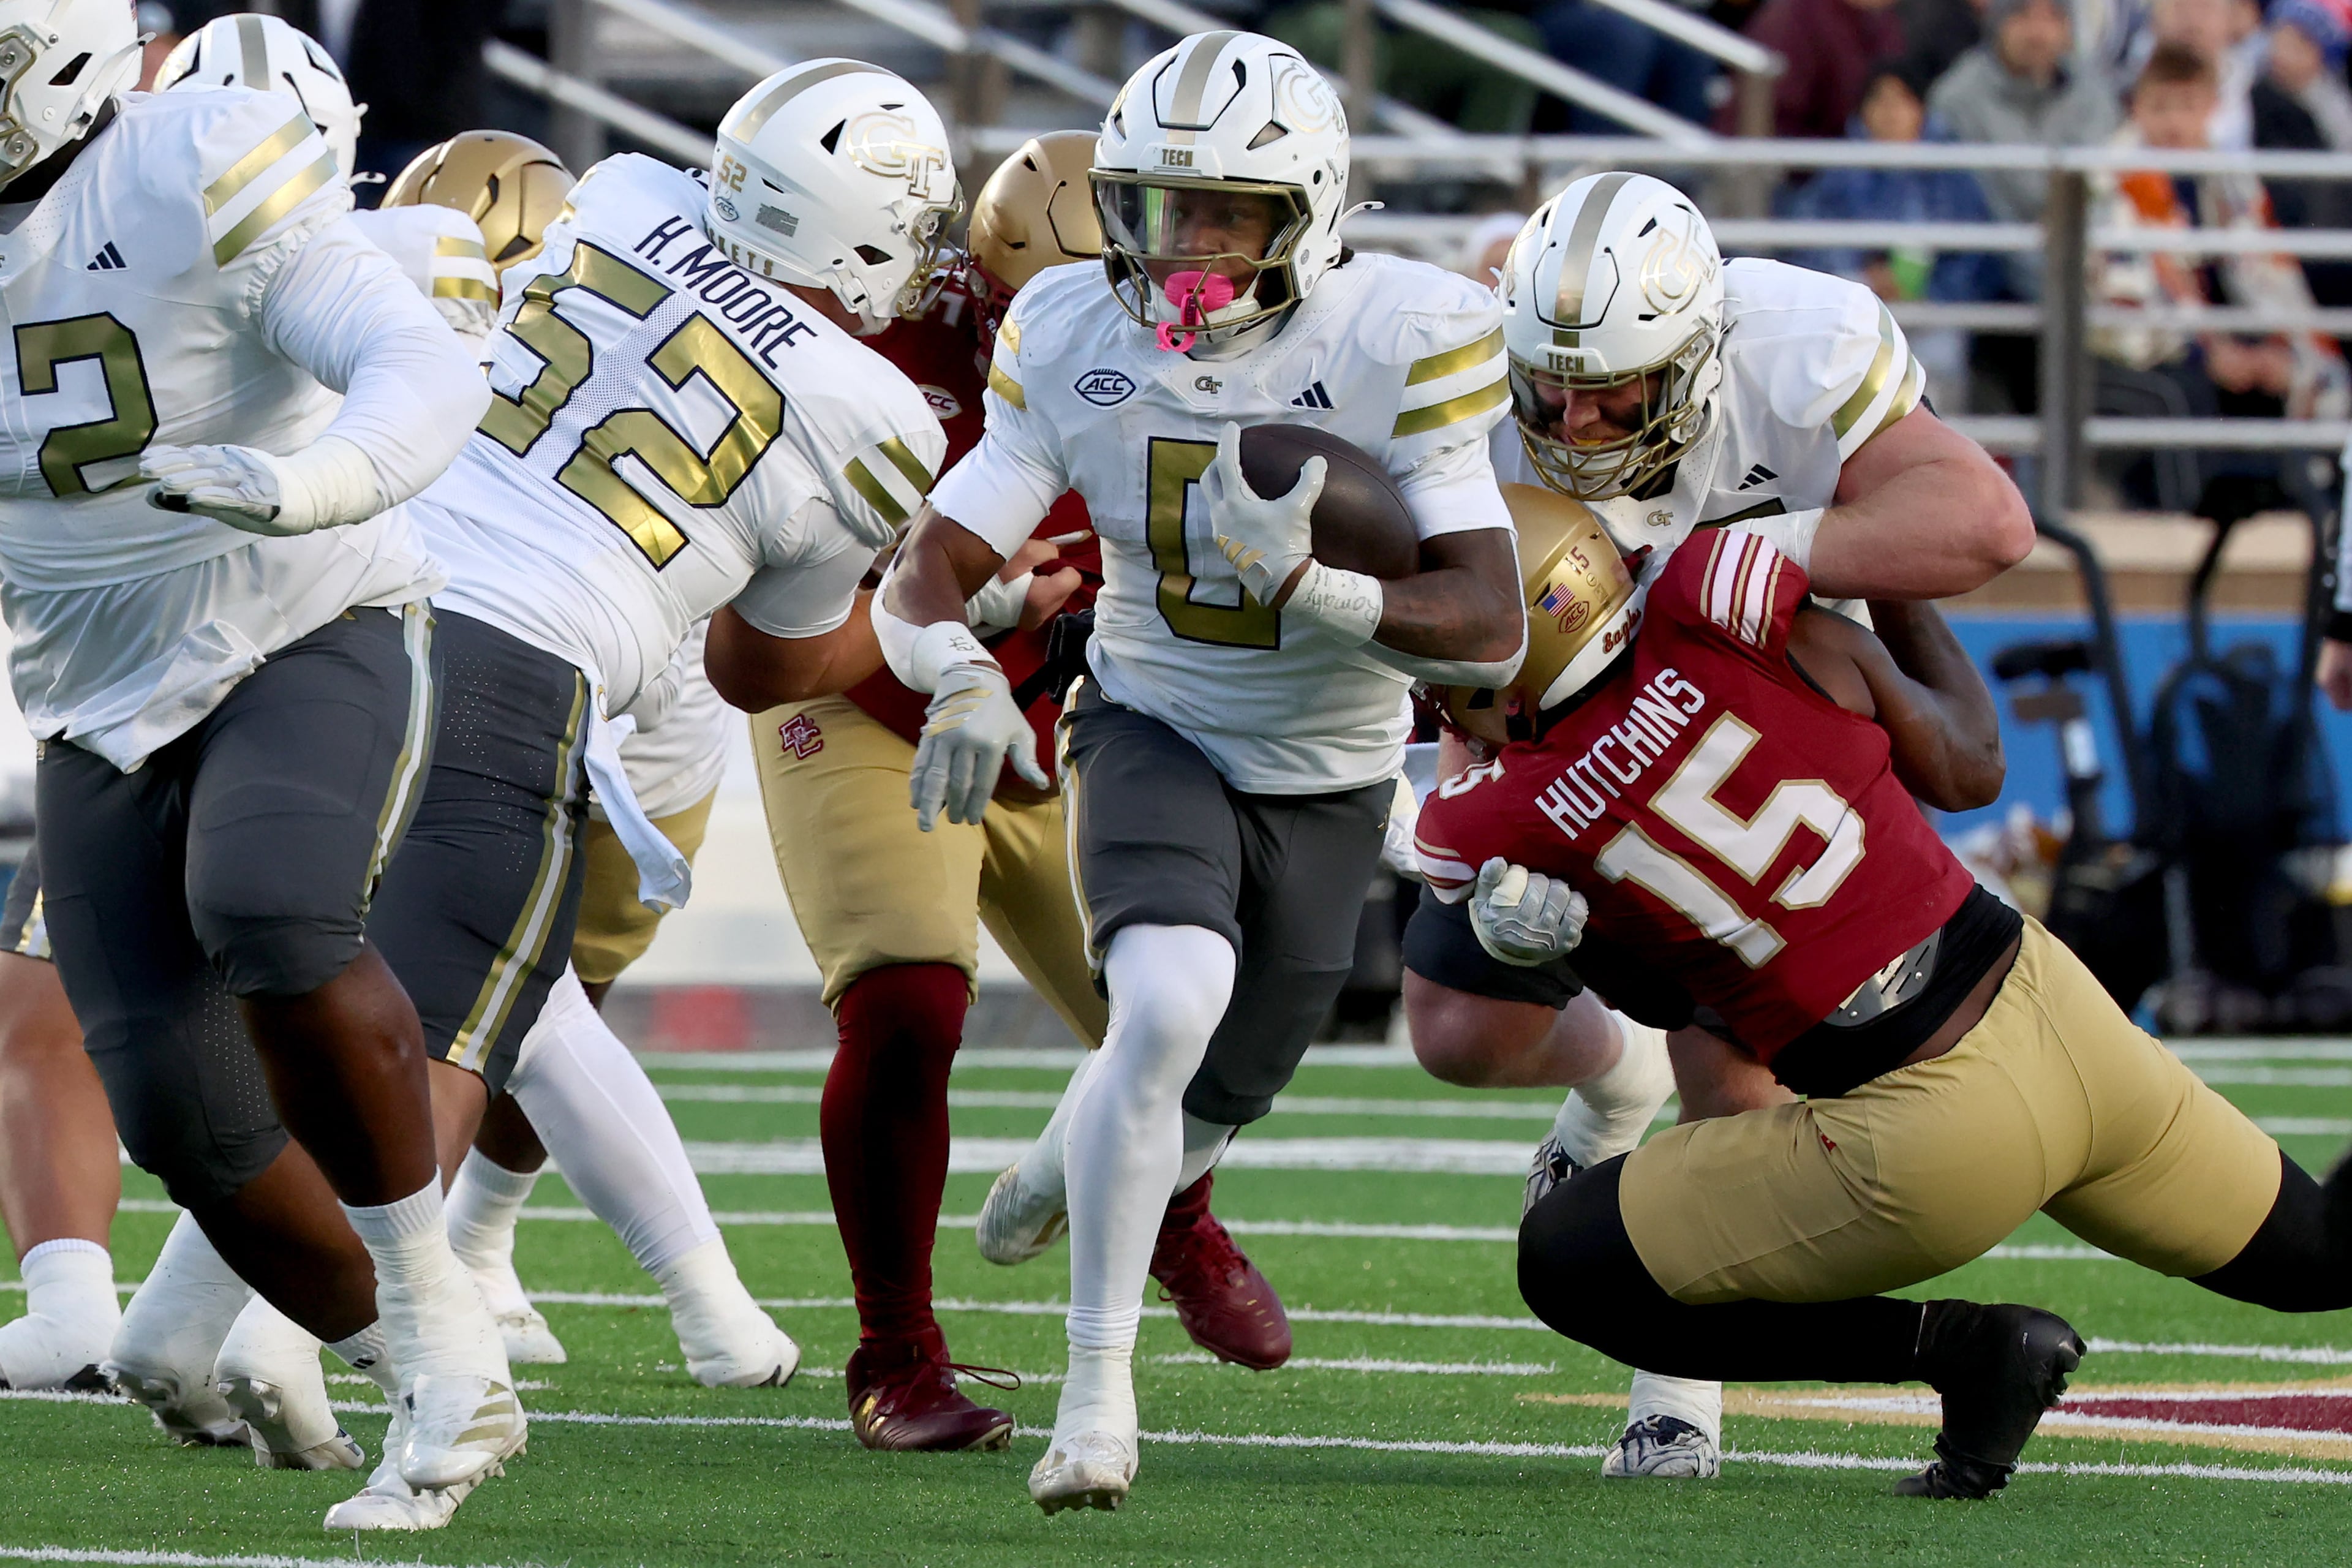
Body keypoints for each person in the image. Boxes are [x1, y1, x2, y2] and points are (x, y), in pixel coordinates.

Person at [875, 29, 1530, 1512]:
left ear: (1305, 212)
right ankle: (1094, 1399)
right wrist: (964, 673)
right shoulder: (1065, 328)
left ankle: (1065, 1151)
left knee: (1213, 1086)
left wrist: (1316, 590)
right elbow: (930, 565)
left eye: (1223, 213)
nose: (1182, 249)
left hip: (1334, 764)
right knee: (1165, 1000)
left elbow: (1484, 625)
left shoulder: (1401, 333)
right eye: (1159, 208)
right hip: (1153, 716)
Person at [1412, 518, 2352, 1501]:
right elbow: (1968, 765)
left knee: (1569, 1261)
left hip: (1925, 1137)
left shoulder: (1492, 816)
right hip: (2060, 1006)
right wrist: (1885, 596)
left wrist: (1563, 942)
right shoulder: (1712, 605)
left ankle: (1959, 1346)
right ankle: (1982, 1368)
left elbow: (1660, 995)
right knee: (2326, 1259)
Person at [1399, 170, 2035, 1478]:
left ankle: (1678, 1390)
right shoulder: (1458, 390)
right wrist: (1463, 786)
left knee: (1729, 1067)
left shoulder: (1794, 345)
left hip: (1737, 731)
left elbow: (1985, 519)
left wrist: (1777, 548)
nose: (1573, 419)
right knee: (1458, 1030)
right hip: (1560, 743)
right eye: (1552, 386)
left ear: (1695, 358)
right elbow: (1446, 649)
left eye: (1614, 390)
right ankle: (1608, 1086)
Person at [0, 0, 514, 1523]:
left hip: (301, 610)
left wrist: (308, 483)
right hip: (92, 692)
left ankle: (435, 1323)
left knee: (273, 904)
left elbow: (411, 357)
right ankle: (430, 1365)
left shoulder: (193, 160)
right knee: (178, 1110)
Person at [746, 129, 1297, 1455]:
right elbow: (776, 605)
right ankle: (894, 1354)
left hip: (1059, 701)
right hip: (870, 697)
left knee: (1180, 1009)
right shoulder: (873, 343)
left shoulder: (1198, 334)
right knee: (907, 998)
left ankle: (1174, 1211)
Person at [1925, 0, 2122, 301]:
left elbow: (2105, 188)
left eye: (2052, 18)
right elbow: (1974, 205)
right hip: (1988, 285)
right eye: (2022, 15)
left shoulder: (2094, 96)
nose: (2037, 33)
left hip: (2084, 275)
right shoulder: (1958, 99)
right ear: (1998, 23)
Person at [1727, 0, 1906, 138]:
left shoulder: (1884, 22)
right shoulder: (1796, 16)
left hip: (1857, 159)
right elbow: (1771, 116)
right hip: (1788, 169)